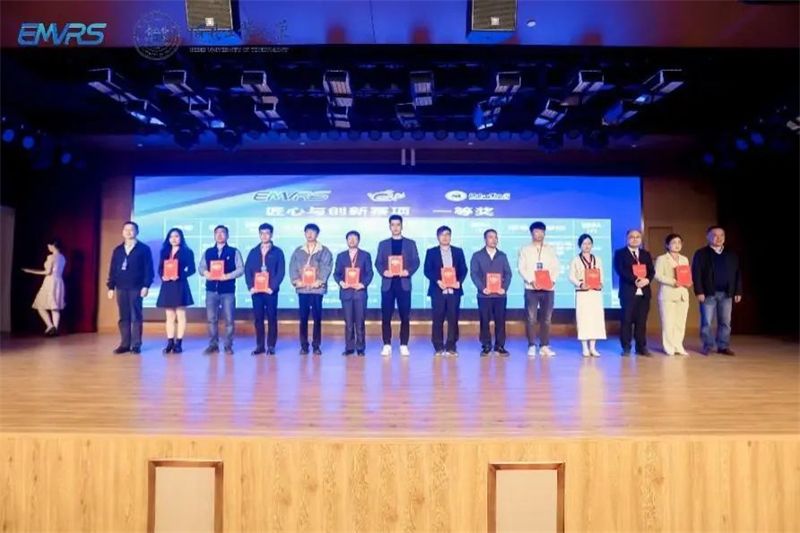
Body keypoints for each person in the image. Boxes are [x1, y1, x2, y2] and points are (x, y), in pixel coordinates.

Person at [691, 226, 742, 356]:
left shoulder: (731, 254)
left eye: (721, 235)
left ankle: (723, 346)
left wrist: (738, 291)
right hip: (708, 293)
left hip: (727, 293)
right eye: (714, 235)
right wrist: (699, 291)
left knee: (725, 322)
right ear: (708, 237)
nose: (718, 238)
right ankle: (708, 345)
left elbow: (737, 273)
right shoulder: (701, 254)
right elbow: (696, 273)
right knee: (706, 322)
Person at [375, 214, 420, 357]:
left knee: (405, 316)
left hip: (403, 284)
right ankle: (386, 344)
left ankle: (404, 344)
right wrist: (384, 271)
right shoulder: (383, 244)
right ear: (389, 226)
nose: (395, 227)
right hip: (388, 285)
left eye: (398, 225)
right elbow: (378, 262)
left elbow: (416, 261)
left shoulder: (410, 243)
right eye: (393, 225)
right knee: (386, 316)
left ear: (402, 226)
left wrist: (408, 271)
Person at [106, 221, 154, 354]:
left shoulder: (144, 249)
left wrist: (146, 286)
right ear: (122, 232)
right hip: (121, 286)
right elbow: (113, 269)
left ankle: (136, 344)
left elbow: (148, 269)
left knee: (136, 316)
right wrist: (111, 287)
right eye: (126, 230)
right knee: (123, 316)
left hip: (136, 287)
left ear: (137, 232)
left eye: (131, 229)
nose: (128, 232)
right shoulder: (118, 250)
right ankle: (125, 344)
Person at [198, 225, 243, 355]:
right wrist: (206, 273)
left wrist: (227, 276)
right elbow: (201, 268)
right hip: (211, 291)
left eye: (222, 232)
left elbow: (241, 269)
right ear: (214, 236)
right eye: (217, 233)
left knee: (229, 320)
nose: (219, 235)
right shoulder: (208, 252)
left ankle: (228, 346)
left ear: (227, 236)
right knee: (211, 319)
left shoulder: (234, 252)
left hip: (228, 291)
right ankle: (213, 345)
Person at [423, 226, 468, 357]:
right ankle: (438, 346)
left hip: (454, 291)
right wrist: (438, 281)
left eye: (447, 234)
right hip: (438, 291)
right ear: (438, 237)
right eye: (442, 235)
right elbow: (427, 270)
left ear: (450, 236)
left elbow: (464, 269)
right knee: (438, 319)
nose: (445, 237)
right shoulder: (431, 252)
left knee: (453, 319)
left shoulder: (458, 251)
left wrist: (459, 281)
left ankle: (451, 346)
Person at [518, 221, 561, 358]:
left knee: (547, 319)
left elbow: (556, 267)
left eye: (542, 232)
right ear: (531, 233)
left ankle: (544, 346)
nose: (539, 234)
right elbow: (521, 268)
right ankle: (531, 345)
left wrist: (552, 280)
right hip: (531, 288)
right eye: (536, 232)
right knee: (531, 318)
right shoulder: (525, 249)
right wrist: (531, 280)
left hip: (548, 289)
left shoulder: (551, 249)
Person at [289, 223, 333, 355]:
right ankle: (304, 346)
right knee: (303, 318)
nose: (310, 234)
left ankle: (316, 346)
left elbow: (327, 267)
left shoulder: (324, 250)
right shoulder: (298, 250)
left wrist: (319, 281)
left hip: (316, 290)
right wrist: (296, 281)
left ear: (317, 234)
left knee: (317, 318)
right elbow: (292, 267)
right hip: (303, 289)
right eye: (307, 232)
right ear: (304, 233)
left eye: (312, 232)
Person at [244, 223, 285, 356]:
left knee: (272, 318)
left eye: (267, 233)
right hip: (256, 292)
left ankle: (271, 346)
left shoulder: (278, 252)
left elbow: (281, 272)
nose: (264, 236)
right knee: (258, 319)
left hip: (270, 291)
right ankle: (260, 346)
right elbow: (247, 270)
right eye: (262, 233)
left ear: (271, 235)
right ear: (259, 235)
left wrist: (272, 287)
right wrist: (250, 287)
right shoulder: (253, 251)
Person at [470, 229, 512, 357]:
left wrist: (504, 288)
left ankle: (500, 346)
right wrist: (482, 288)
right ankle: (486, 346)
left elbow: (508, 273)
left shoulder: (502, 256)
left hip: (500, 295)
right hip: (484, 295)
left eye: (495, 237)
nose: (494, 240)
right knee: (484, 320)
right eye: (491, 237)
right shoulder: (477, 255)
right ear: (485, 239)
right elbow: (474, 274)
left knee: (500, 321)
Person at [613, 229, 655, 356]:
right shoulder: (620, 253)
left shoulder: (645, 254)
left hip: (644, 293)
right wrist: (635, 280)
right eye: (632, 237)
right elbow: (620, 270)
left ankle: (641, 347)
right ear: (627, 239)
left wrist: (647, 280)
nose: (635, 239)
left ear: (641, 239)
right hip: (628, 292)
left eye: (637, 237)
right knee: (626, 320)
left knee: (641, 321)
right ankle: (626, 347)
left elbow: (651, 271)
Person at [332, 230, 374, 356]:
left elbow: (370, 273)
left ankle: (360, 348)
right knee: (349, 323)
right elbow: (336, 274)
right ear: (346, 240)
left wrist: (363, 284)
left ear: (358, 240)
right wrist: (341, 283)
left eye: (354, 238)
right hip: (346, 293)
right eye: (349, 238)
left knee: (360, 322)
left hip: (360, 293)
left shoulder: (365, 255)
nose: (352, 240)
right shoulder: (341, 256)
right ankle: (349, 347)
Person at [156, 228, 196, 354]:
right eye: (171, 236)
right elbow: (160, 268)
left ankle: (178, 343)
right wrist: (163, 276)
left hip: (180, 284)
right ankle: (170, 343)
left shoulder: (187, 252)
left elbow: (192, 269)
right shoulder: (164, 251)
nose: (174, 239)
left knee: (180, 315)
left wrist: (180, 276)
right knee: (169, 316)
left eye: (176, 236)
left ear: (181, 238)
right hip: (167, 285)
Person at [568, 234, 606, 357]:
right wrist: (580, 284)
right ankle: (584, 347)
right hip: (583, 293)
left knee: (595, 318)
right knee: (584, 319)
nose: (587, 246)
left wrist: (601, 283)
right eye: (584, 243)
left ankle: (593, 348)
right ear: (580, 245)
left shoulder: (597, 259)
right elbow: (571, 276)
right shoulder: (575, 260)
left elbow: (601, 274)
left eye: (589, 243)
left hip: (595, 293)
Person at [655, 233, 691, 356]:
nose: (677, 245)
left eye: (679, 242)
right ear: (667, 245)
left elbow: (686, 274)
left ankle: (678, 346)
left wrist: (688, 281)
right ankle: (669, 347)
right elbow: (658, 275)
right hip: (668, 294)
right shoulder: (662, 259)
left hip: (682, 294)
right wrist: (673, 282)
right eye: (674, 242)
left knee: (680, 323)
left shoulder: (684, 259)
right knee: (668, 322)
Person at [23, 238, 66, 337]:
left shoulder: (51, 257)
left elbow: (48, 272)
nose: (48, 247)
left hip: (50, 282)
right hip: (59, 282)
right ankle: (55, 329)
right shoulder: (63, 257)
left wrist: (30, 271)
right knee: (55, 307)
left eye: (48, 245)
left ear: (52, 246)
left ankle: (50, 326)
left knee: (40, 305)